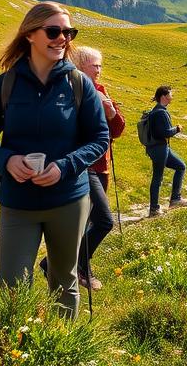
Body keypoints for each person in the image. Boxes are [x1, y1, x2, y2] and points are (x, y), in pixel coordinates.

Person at [0, 2, 109, 319]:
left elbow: (99, 138)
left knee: (65, 281)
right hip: (18, 203)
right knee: (12, 286)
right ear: (30, 34)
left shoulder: (78, 84)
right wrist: (6, 160)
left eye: (68, 32)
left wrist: (65, 166)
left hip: (69, 200)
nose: (63, 39)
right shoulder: (5, 84)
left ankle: (63, 348)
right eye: (54, 31)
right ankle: (14, 349)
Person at [71, 45, 125, 290]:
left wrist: (112, 114)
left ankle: (75, 268)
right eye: (95, 65)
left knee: (91, 222)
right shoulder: (74, 90)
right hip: (85, 166)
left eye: (100, 65)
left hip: (101, 165)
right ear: (81, 65)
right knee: (102, 221)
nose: (99, 70)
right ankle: (65, 266)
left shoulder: (102, 91)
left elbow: (118, 131)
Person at [145, 85, 187, 217]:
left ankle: (175, 199)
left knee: (180, 166)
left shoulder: (158, 110)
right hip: (159, 148)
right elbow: (163, 133)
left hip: (159, 148)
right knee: (157, 178)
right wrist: (177, 129)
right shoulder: (160, 113)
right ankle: (154, 209)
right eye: (170, 94)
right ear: (164, 96)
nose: (172, 97)